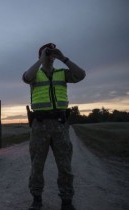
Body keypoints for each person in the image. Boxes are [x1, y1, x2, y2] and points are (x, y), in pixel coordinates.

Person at [22, 43, 86, 210]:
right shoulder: (35, 74)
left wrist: (63, 57)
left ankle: (67, 201)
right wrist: (41, 59)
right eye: (46, 53)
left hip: (60, 125)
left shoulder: (62, 74)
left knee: (65, 165)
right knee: (37, 165)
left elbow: (81, 75)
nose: (50, 56)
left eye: (51, 53)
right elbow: (27, 77)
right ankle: (36, 199)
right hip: (40, 126)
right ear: (40, 57)